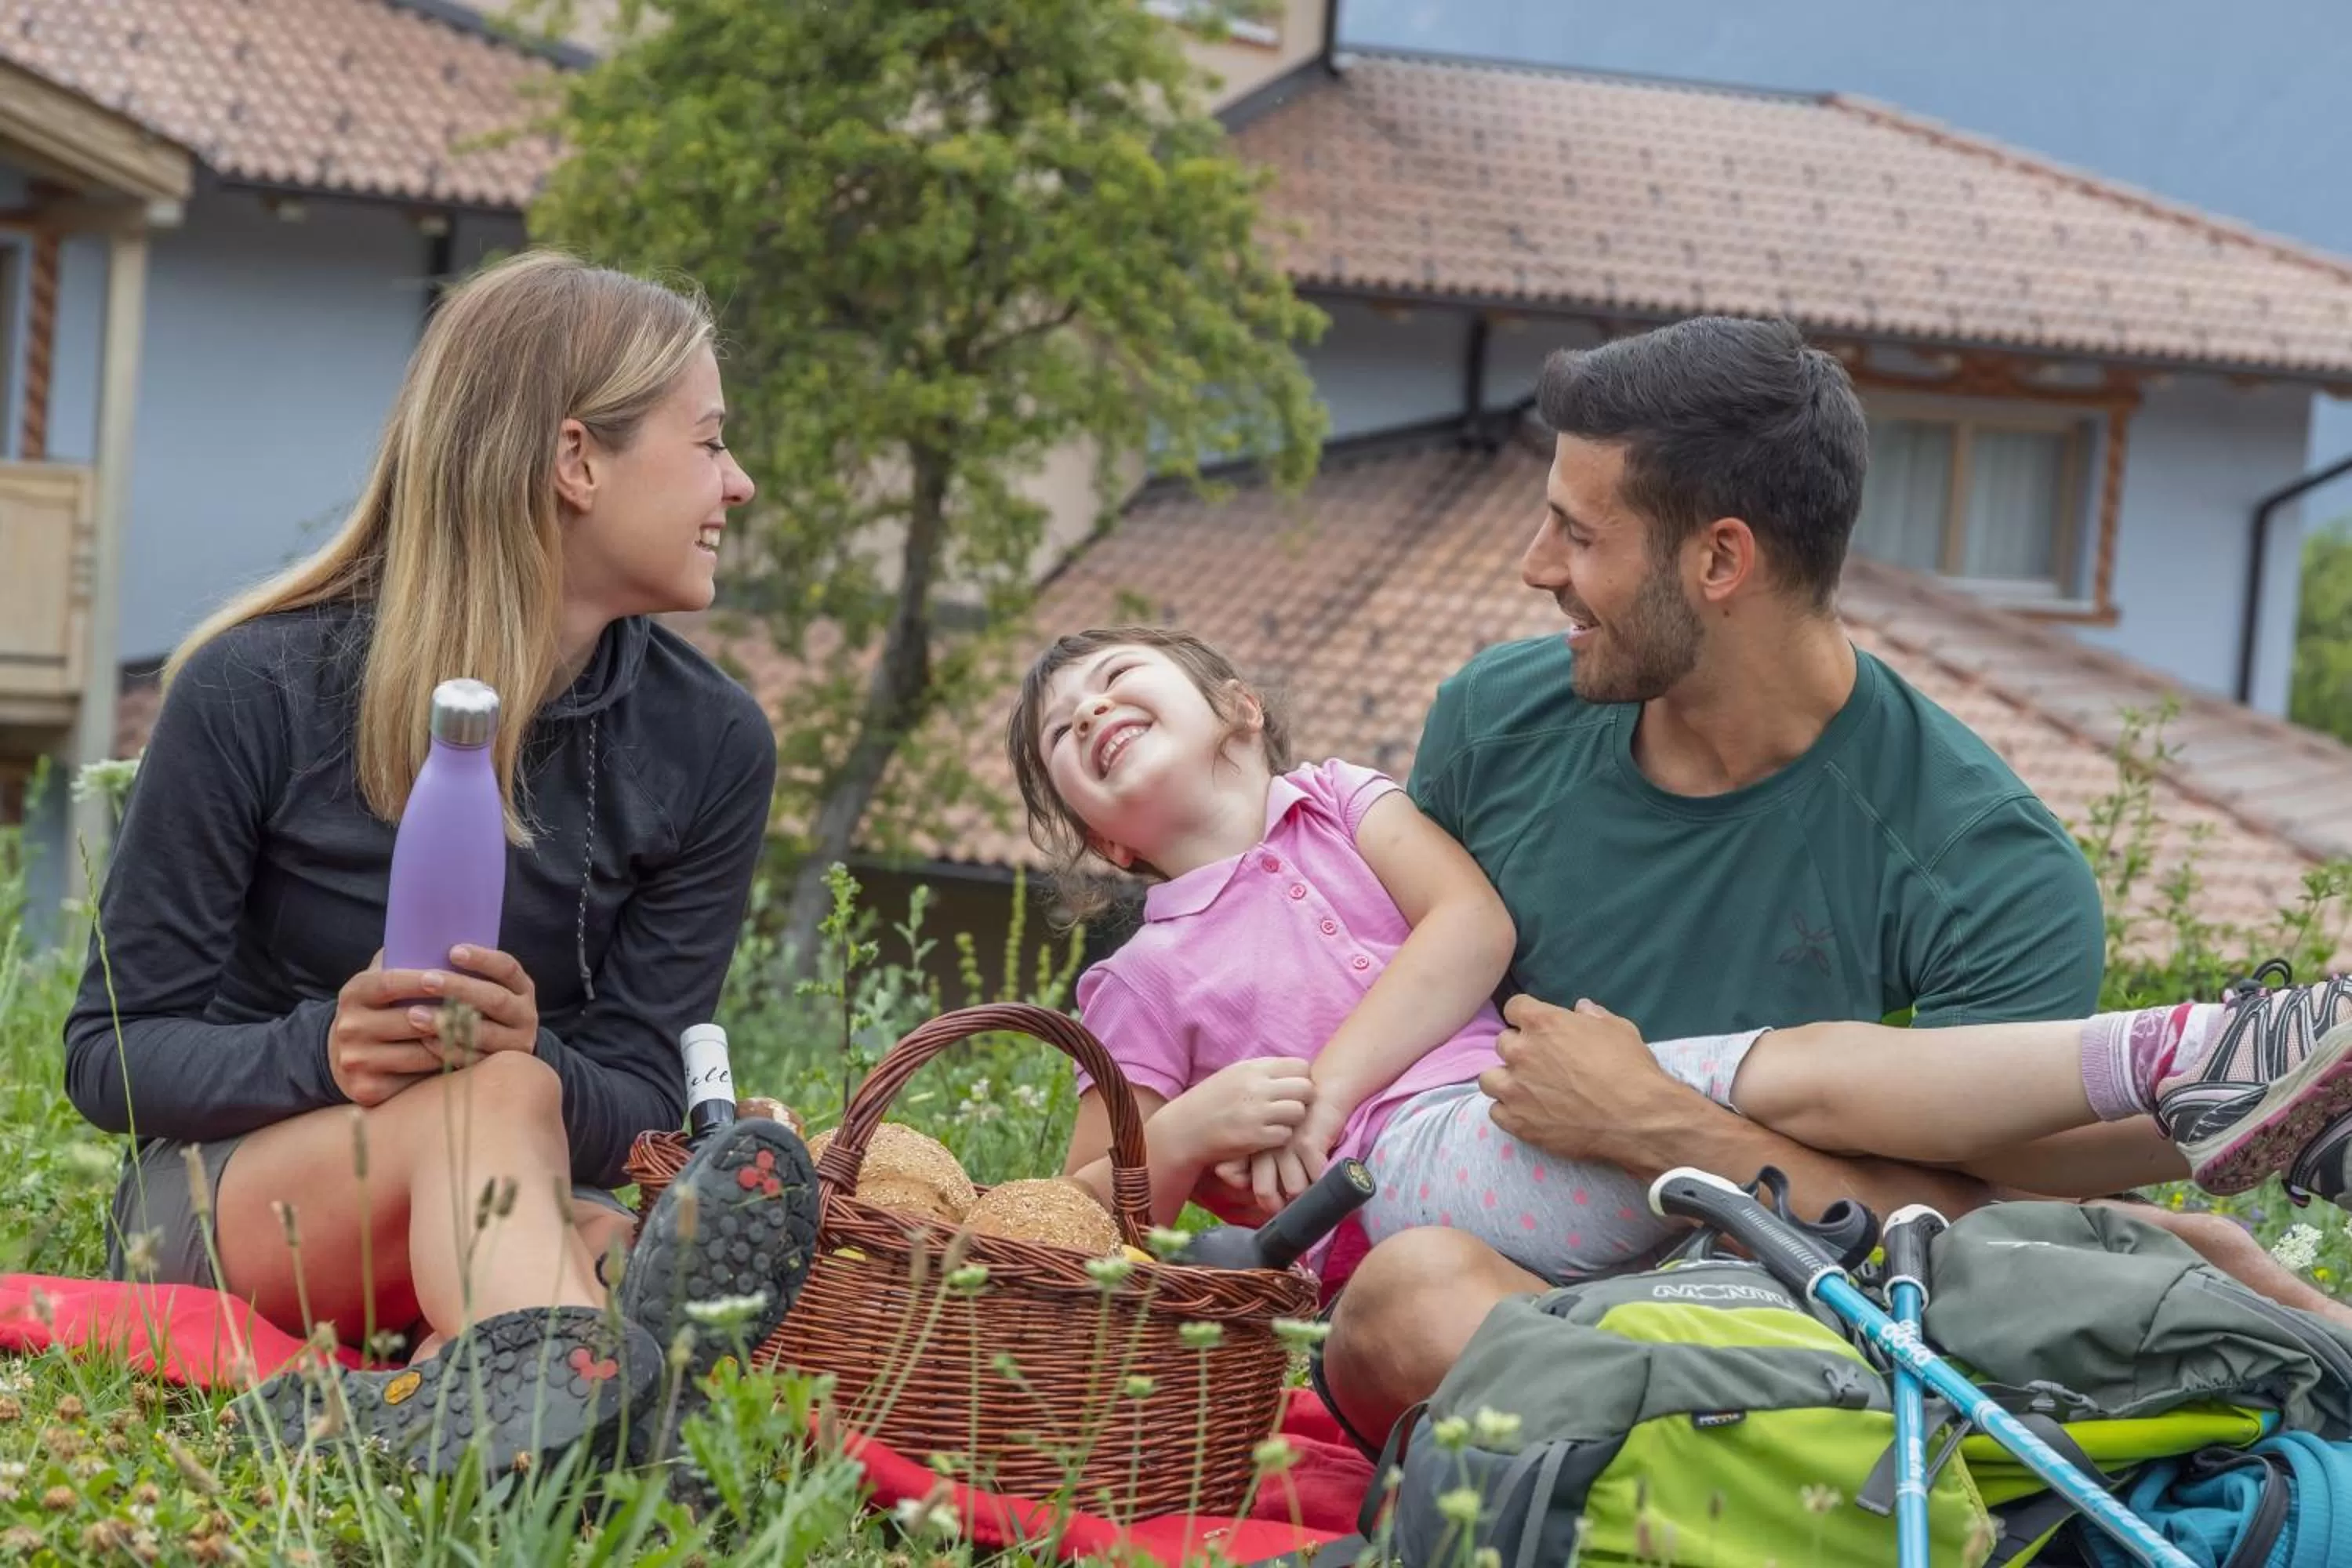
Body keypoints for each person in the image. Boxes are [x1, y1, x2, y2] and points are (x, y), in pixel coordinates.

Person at [1315, 313, 2352, 1453]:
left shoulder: (1985, 866)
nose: (1537, 567)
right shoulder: (1497, 721)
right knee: (1407, 1303)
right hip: (1522, 1290)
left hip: (1803, 1309)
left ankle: (2207, 1090)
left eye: (1578, 532)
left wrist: (1654, 1127)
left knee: (2034, 1215)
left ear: (1720, 560)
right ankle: (2211, 1083)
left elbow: (1987, 1237)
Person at [60, 251, 818, 1476]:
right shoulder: (257, 689)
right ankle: (615, 1454)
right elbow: (111, 1056)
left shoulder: (712, 745)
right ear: (577, 461)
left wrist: (539, 1059)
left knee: (549, 1155)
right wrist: (323, 1051)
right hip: (225, 1209)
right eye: (709, 443)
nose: (739, 482)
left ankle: (490, 1392)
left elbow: (634, 1098)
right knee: (516, 1131)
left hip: (490, 1197)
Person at [1008, 627, 2352, 1291]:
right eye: (1068, 733)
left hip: (1519, 1104)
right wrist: (1184, 1132)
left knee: (1853, 1119)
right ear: (1100, 841)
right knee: (1846, 1134)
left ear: (1238, 709)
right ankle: (2198, 1084)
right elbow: (1072, 1206)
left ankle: (2209, 1085)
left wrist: (1318, 1078)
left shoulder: (1348, 802)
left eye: (1120, 677)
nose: (1094, 711)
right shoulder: (1132, 982)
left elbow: (1470, 933)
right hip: (1393, 1197)